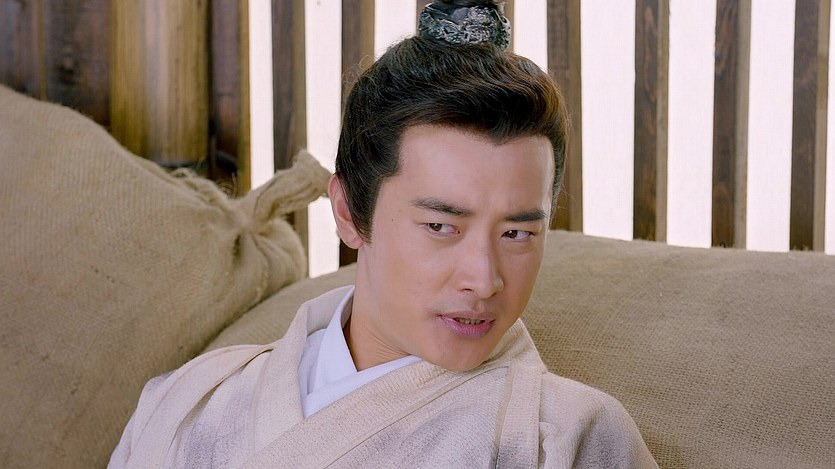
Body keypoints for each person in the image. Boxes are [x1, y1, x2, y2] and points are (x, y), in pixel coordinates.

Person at [110, 1, 658, 467]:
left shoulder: (566, 438)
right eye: (441, 226)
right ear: (349, 211)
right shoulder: (189, 400)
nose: (484, 279)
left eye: (516, 233)